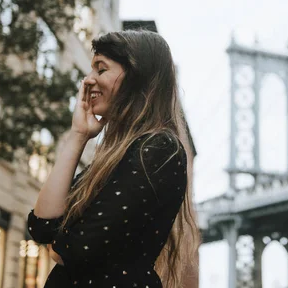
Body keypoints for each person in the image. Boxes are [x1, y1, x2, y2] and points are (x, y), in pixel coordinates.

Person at [27, 31, 198, 287]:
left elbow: (72, 249)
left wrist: (62, 243)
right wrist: (78, 136)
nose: (88, 81)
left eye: (101, 69)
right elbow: (41, 227)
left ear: (136, 76)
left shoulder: (158, 149)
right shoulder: (115, 157)